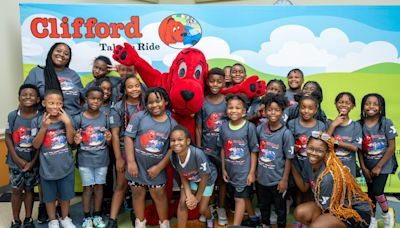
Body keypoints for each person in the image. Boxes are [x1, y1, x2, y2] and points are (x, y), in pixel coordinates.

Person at [293, 131, 373, 228]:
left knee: (316, 226)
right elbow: (304, 187)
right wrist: (291, 163)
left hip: (355, 212)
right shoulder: (309, 162)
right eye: (310, 148)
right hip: (333, 207)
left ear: (327, 153)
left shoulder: (327, 176)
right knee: (299, 212)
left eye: (319, 150)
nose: (313, 153)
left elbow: (325, 211)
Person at [124, 87, 177, 228]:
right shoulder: (139, 117)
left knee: (159, 195)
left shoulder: (172, 124)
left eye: (158, 101)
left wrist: (159, 167)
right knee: (137, 194)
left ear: (165, 101)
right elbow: (128, 138)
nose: (154, 105)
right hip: (136, 167)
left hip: (157, 170)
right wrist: (131, 162)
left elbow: (173, 149)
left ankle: (164, 224)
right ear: (146, 104)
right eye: (150, 102)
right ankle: (140, 223)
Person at [31, 89, 76, 228]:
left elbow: (71, 141)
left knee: (65, 196)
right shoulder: (37, 120)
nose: (55, 106)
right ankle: (53, 220)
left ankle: (65, 218)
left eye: (59, 103)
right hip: (47, 168)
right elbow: (35, 145)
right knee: (49, 197)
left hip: (66, 167)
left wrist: (68, 123)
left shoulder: (67, 119)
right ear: (44, 103)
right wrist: (44, 127)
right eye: (51, 103)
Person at [106, 75, 145, 228]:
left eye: (137, 85)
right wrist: (119, 159)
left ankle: (138, 215)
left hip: (143, 150)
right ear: (124, 90)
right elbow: (115, 135)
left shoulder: (146, 104)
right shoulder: (117, 107)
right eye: (130, 87)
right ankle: (112, 219)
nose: (134, 89)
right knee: (121, 185)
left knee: (139, 186)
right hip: (124, 150)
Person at [74, 87, 112, 228]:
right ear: (86, 100)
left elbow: (108, 141)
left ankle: (97, 215)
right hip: (85, 160)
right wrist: (76, 141)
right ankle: (87, 217)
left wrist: (109, 139)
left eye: (99, 99)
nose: (95, 101)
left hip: (102, 159)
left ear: (103, 101)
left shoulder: (105, 118)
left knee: (99, 187)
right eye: (92, 98)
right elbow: (74, 140)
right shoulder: (79, 118)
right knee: (88, 188)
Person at [218, 94, 258, 226]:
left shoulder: (249, 127)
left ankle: (235, 225)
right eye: (230, 107)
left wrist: (252, 172)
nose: (233, 110)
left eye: (237, 108)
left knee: (239, 198)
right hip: (230, 171)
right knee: (243, 195)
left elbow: (253, 151)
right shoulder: (223, 127)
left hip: (244, 172)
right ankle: (253, 218)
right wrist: (223, 168)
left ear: (244, 111)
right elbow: (223, 149)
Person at [358, 93, 397, 228]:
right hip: (368, 165)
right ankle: (372, 218)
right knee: (370, 193)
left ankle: (386, 213)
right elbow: (359, 150)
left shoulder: (387, 122)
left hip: (384, 164)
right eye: (368, 103)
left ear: (381, 107)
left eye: (375, 104)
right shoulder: (359, 125)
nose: (371, 106)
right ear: (363, 107)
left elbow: (392, 147)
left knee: (378, 191)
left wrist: (379, 166)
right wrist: (364, 168)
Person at [195, 67, 228, 226]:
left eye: (219, 81)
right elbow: (199, 127)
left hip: (223, 150)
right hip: (206, 150)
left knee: (222, 180)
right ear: (207, 82)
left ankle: (221, 208)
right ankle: (211, 207)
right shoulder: (202, 101)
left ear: (223, 82)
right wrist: (199, 149)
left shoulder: (228, 102)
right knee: (209, 179)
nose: (215, 84)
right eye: (212, 81)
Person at [256, 93, 294, 228]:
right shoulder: (260, 128)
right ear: (265, 111)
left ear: (282, 112)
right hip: (261, 179)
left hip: (277, 180)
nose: (273, 112)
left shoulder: (286, 133)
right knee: (263, 206)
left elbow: (289, 158)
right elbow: (255, 151)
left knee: (280, 209)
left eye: (277, 110)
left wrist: (284, 180)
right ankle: (265, 224)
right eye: (270, 109)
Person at [5, 84, 40, 228]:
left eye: (31, 95)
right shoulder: (13, 115)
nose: (28, 97)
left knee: (29, 190)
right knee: (16, 191)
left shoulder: (40, 117)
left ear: (38, 99)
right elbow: (8, 138)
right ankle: (16, 220)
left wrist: (32, 162)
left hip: (32, 162)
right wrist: (17, 159)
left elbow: (41, 142)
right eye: (24, 94)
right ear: (18, 98)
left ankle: (28, 219)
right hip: (15, 163)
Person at [171, 125, 217, 228]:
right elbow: (182, 175)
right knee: (183, 202)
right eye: (172, 140)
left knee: (201, 209)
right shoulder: (173, 156)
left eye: (180, 139)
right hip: (189, 179)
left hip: (206, 180)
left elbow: (205, 177)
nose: (176, 143)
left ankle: (210, 218)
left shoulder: (198, 154)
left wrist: (196, 198)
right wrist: (189, 194)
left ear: (187, 141)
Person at [24, 42, 83, 117]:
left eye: (66, 54)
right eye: (58, 51)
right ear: (51, 52)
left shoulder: (73, 75)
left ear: (69, 59)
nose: (61, 54)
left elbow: (83, 99)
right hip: (46, 122)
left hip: (73, 121)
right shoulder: (37, 72)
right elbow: (25, 97)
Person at [326, 92, 362, 177]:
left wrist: (336, 142)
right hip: (331, 167)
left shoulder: (356, 126)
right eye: (340, 102)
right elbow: (324, 143)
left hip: (348, 169)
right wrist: (333, 125)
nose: (344, 105)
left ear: (353, 106)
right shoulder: (329, 123)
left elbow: (355, 147)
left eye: (348, 103)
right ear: (335, 104)